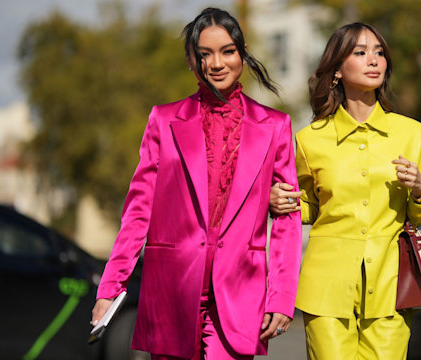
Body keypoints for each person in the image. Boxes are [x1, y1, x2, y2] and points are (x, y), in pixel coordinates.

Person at [91, 8, 302, 360]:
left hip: (238, 292)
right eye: (205, 54)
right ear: (193, 61)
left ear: (242, 53)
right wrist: (112, 286)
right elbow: (138, 210)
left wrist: (281, 295)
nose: (216, 63)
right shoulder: (164, 120)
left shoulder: (275, 126)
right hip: (172, 289)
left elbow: (287, 220)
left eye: (227, 51)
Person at [270, 22, 421, 359]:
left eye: (378, 53)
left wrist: (420, 191)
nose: (373, 60)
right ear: (336, 71)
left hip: (392, 290)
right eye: (360, 53)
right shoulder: (309, 139)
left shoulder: (413, 134)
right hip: (326, 289)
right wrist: (277, 202)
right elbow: (309, 208)